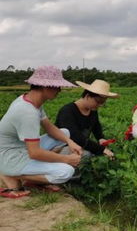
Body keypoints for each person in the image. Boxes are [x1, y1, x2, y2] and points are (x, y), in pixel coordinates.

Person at [0, 66, 82, 198]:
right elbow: (35, 153)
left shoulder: (31, 100)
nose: (59, 91)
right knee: (66, 172)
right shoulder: (28, 113)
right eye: (57, 87)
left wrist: (70, 142)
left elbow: (49, 127)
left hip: (19, 148)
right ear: (45, 86)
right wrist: (66, 159)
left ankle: (32, 175)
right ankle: (11, 173)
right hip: (10, 156)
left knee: (64, 133)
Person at [56, 79, 119, 159]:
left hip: (79, 145)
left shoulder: (92, 110)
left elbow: (96, 127)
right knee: (87, 154)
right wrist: (101, 149)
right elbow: (75, 137)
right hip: (60, 148)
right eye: (98, 101)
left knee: (94, 152)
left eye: (102, 103)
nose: (100, 105)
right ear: (87, 96)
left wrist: (100, 138)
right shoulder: (67, 111)